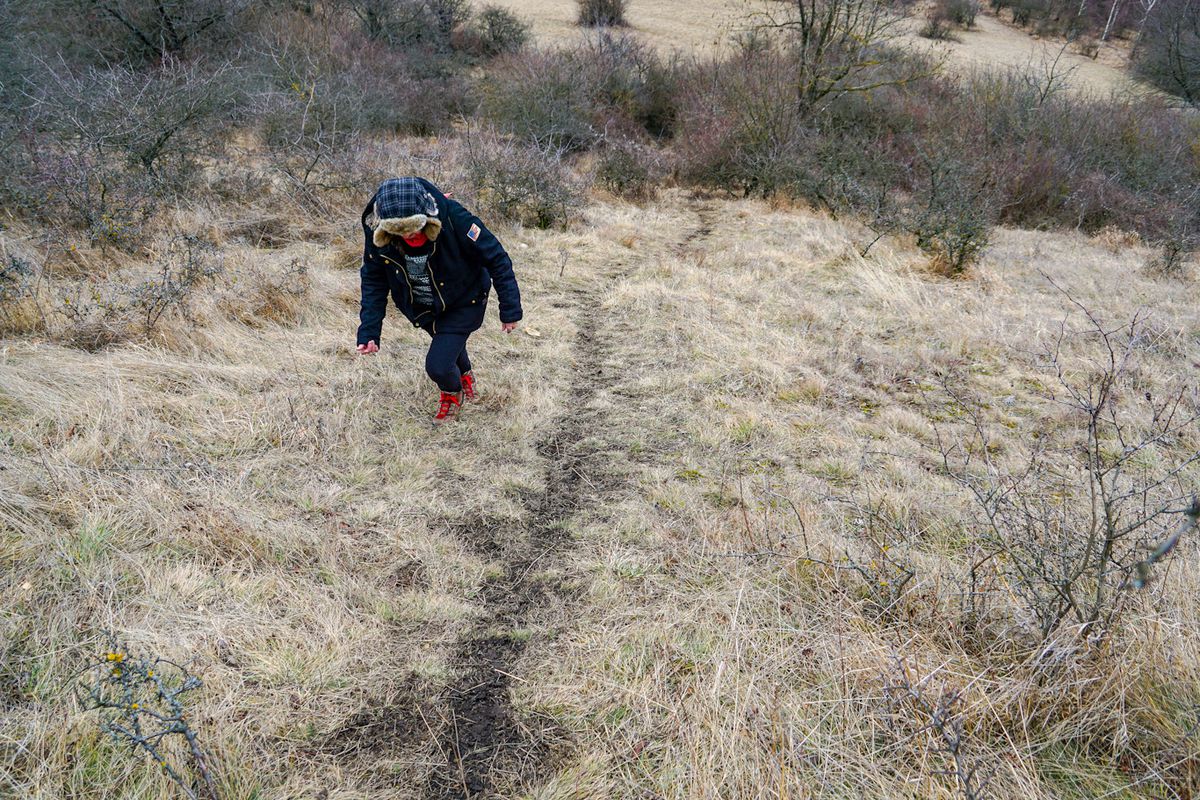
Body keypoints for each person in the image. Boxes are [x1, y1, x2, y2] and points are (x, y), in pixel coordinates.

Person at [355, 177, 523, 423]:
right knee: (448, 342)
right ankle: (465, 375)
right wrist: (369, 331)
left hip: (466, 299)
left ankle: (451, 393)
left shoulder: (455, 218)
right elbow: (373, 279)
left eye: (415, 226)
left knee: (438, 366)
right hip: (423, 307)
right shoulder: (377, 232)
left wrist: (510, 309)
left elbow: (497, 257)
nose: (410, 235)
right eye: (399, 231)